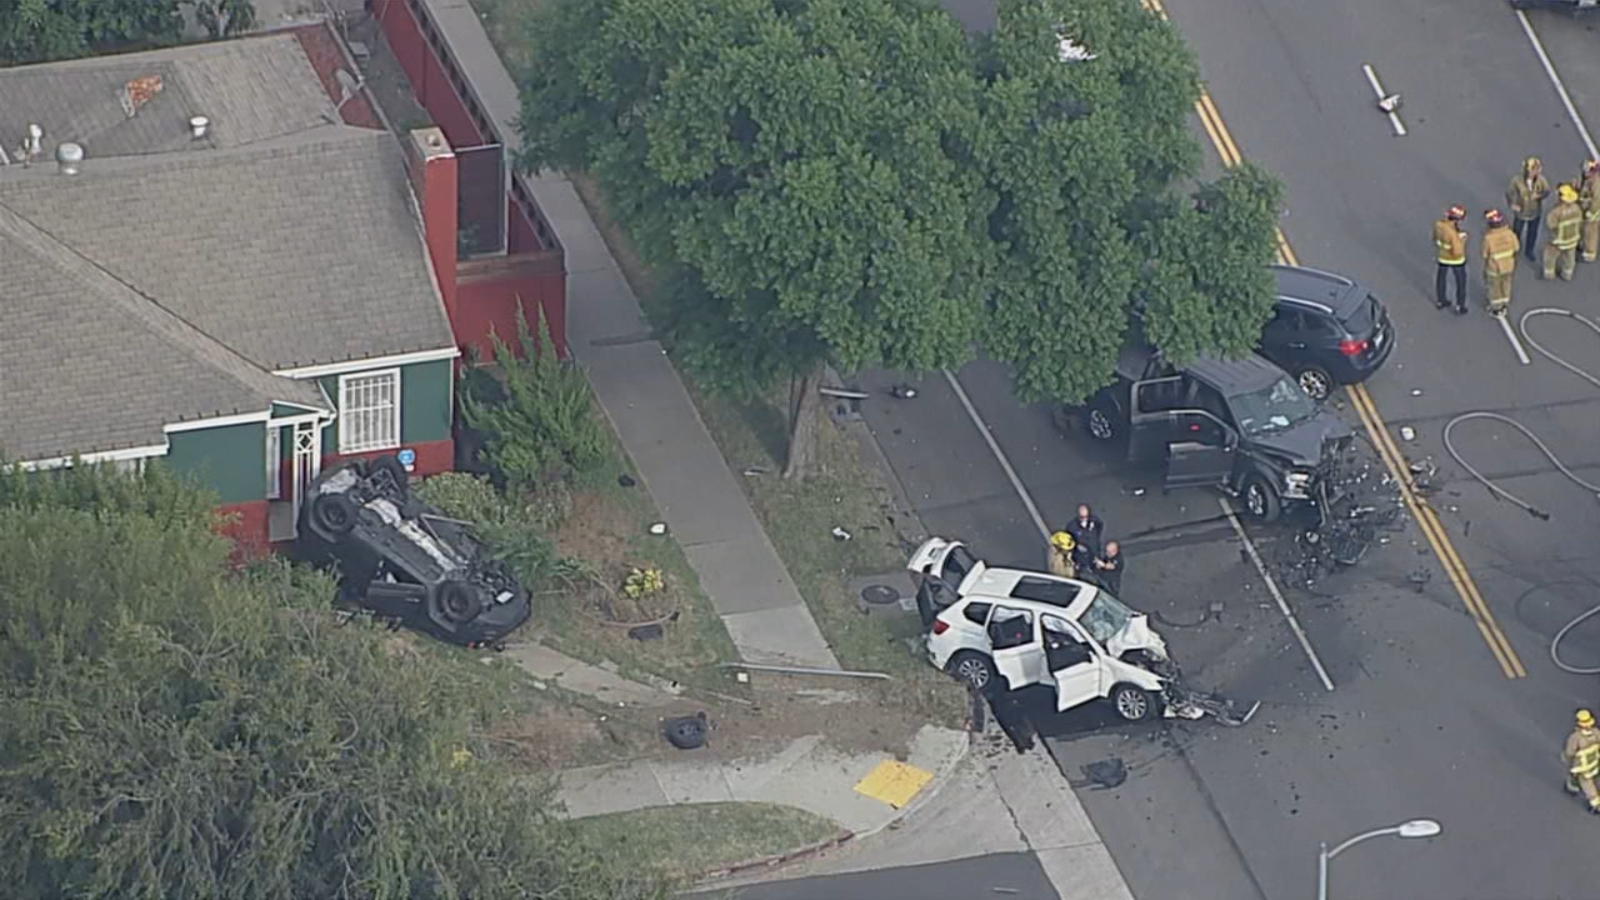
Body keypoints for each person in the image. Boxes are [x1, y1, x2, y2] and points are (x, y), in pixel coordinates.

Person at [1506, 156, 1550, 261]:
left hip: (1535, 212)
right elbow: (1509, 192)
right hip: (1521, 212)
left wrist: (1539, 195)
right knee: (1517, 231)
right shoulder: (1517, 181)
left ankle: (1529, 251)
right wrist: (1512, 204)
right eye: (1531, 170)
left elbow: (1547, 192)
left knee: (1533, 232)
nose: (1533, 173)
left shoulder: (1541, 181)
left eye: (1535, 170)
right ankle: (1514, 249)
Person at [1481, 209, 1520, 316]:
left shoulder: (1488, 238)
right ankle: (1504, 303)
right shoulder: (1510, 234)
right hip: (1509, 266)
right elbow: (1516, 247)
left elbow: (1484, 254)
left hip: (1494, 268)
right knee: (1506, 284)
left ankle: (1496, 308)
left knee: (1494, 288)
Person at [1543, 183, 1584, 281]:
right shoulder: (1577, 209)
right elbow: (1580, 221)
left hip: (1558, 240)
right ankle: (1567, 274)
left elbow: (1550, 224)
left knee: (1550, 255)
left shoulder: (1556, 212)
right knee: (1569, 257)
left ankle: (1549, 273)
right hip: (1572, 239)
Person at [1432, 205, 1469, 313]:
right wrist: (1462, 240)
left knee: (1441, 278)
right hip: (1456, 260)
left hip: (1442, 257)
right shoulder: (1453, 234)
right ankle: (1460, 305)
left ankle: (1441, 300)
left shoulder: (1438, 225)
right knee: (1461, 282)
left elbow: (1435, 238)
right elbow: (1457, 252)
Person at [1565, 709, 1600, 813]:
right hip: (1595, 762)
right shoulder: (1596, 733)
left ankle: (1596, 804)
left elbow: (1570, 752)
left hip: (1582, 767)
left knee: (1587, 784)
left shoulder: (1576, 737)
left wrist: (1568, 758)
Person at [1064, 504, 1104, 573]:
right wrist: (1077, 545)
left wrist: (1095, 538)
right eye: (1082, 517)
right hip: (1080, 555)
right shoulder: (1072, 526)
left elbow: (1100, 526)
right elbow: (1068, 539)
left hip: (1093, 550)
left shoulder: (1094, 521)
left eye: (1086, 516)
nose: (1085, 519)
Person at [1579, 159, 1599, 264]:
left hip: (1594, 213)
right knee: (1585, 229)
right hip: (1587, 208)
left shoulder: (1597, 183)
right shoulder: (1589, 180)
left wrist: (1591, 212)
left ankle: (1590, 252)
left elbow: (1596, 200)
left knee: (1591, 231)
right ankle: (1583, 244)